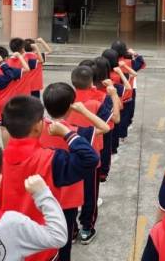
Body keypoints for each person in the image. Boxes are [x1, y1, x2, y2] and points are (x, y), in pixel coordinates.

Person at [0, 95, 99, 261]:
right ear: (38, 126)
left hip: (11, 243)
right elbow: (90, 159)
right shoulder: (51, 159)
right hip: (44, 246)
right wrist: (67, 133)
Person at [41, 82, 109, 261]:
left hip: (42, 193)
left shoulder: (37, 128)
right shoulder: (76, 133)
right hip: (68, 197)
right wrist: (84, 111)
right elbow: (105, 127)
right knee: (64, 241)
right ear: (71, 105)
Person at [67, 65, 114, 244]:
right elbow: (108, 124)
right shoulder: (98, 101)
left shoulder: (67, 101)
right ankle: (87, 227)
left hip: (69, 152)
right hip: (91, 153)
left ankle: (71, 230)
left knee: (70, 192)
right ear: (91, 82)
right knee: (90, 194)